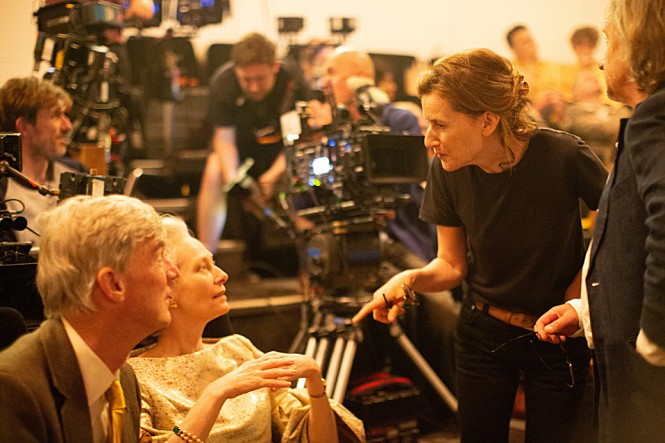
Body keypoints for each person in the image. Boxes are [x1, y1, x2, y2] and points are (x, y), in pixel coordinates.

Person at [352, 48, 608, 442]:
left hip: (556, 333)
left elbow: (619, 229)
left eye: (440, 124)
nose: (429, 140)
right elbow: (451, 265)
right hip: (482, 332)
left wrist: (578, 295)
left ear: (487, 121)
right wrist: (409, 279)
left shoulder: (563, 154)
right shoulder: (447, 168)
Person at [535, 0, 665, 440]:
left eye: (611, 41)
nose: (603, 60)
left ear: (640, 46)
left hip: (645, 374)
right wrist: (586, 310)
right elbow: (632, 240)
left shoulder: (655, 118)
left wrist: (654, 343)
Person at [128, 216, 365, 442]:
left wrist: (314, 382)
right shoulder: (136, 375)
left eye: (214, 263)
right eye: (202, 268)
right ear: (167, 289)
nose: (222, 275)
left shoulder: (238, 349)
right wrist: (215, 394)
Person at [0, 194, 179, 442]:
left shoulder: (124, 379)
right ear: (113, 284)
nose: (173, 272)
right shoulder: (14, 390)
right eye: (158, 258)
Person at [197, 32, 312, 263]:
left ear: (275, 67)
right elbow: (224, 140)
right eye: (246, 80)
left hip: (281, 149)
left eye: (260, 79)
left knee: (305, 167)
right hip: (241, 149)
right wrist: (235, 181)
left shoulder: (293, 82)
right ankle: (205, 257)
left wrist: (272, 176)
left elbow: (298, 139)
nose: (254, 87)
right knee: (214, 170)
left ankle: (311, 256)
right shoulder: (223, 83)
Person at [0, 76, 86, 245]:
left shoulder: (77, 173)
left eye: (65, 115)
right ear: (24, 126)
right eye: (56, 115)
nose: (67, 126)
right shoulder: (3, 187)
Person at [506, 24, 571, 129]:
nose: (529, 44)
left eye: (530, 40)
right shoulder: (510, 71)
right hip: (525, 123)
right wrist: (537, 107)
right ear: (513, 48)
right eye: (523, 41)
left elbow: (565, 95)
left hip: (556, 120)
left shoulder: (552, 67)